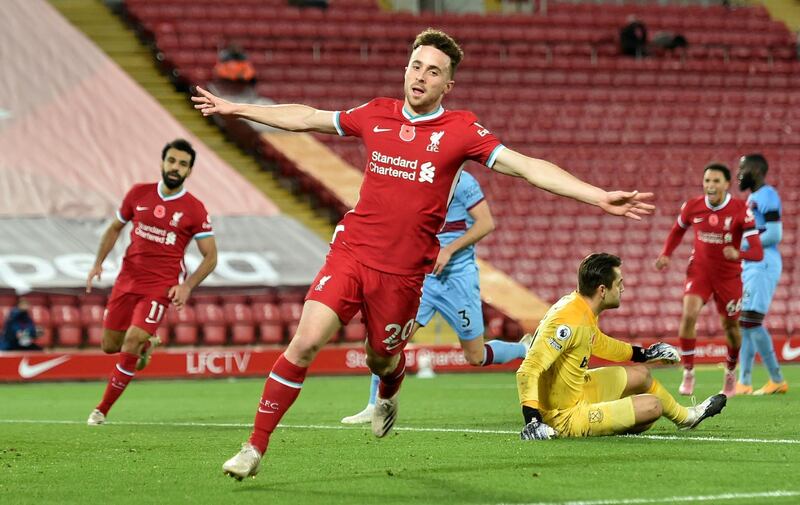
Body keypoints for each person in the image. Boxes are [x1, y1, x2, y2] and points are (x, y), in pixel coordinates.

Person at [192, 28, 655, 481]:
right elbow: (308, 116)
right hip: (352, 252)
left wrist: (594, 195)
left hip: (404, 276)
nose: (421, 77)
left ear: (447, 85)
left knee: (381, 359)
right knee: (306, 341)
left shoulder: (460, 130)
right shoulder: (376, 113)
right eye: (416, 66)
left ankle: (389, 390)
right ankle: (254, 447)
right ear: (405, 69)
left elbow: (526, 167)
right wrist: (234, 108)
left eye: (433, 72)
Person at [341, 171, 528, 424]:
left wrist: (449, 250)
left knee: (475, 356)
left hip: (458, 279)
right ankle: (375, 405)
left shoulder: (464, 181)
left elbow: (486, 223)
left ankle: (524, 348)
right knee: (390, 339)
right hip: (423, 279)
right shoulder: (418, 175)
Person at [516, 253, 727, 441]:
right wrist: (533, 420)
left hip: (576, 392)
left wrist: (644, 354)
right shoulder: (569, 321)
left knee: (642, 375)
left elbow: (598, 342)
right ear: (602, 290)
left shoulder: (578, 307)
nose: (623, 289)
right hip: (562, 415)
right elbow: (528, 370)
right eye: (619, 284)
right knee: (653, 406)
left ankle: (688, 418)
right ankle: (589, 422)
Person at [85, 139, 217, 426]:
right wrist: (98, 263)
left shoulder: (194, 209)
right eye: (172, 161)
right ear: (162, 162)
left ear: (189, 171)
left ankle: (101, 410)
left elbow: (210, 257)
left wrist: (186, 286)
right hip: (126, 281)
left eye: (183, 164)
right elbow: (114, 229)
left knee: (131, 339)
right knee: (110, 346)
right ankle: (145, 348)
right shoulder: (138, 194)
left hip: (161, 287)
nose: (175, 167)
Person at [655, 163, 763, 398]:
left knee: (731, 328)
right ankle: (688, 371)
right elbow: (676, 231)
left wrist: (739, 254)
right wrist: (666, 254)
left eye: (715, 181)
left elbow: (758, 252)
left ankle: (731, 371)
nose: (710, 186)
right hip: (700, 272)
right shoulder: (692, 206)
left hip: (729, 276)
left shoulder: (740, 209)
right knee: (688, 315)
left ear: (726, 184)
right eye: (707, 181)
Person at [735, 154, 788, 395]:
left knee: (751, 321)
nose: (738, 173)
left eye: (742, 168)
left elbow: (775, 234)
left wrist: (742, 246)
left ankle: (776, 378)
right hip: (753, 265)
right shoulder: (753, 198)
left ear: (755, 170)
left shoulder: (767, 195)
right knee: (745, 323)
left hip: (764, 263)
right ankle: (744, 382)